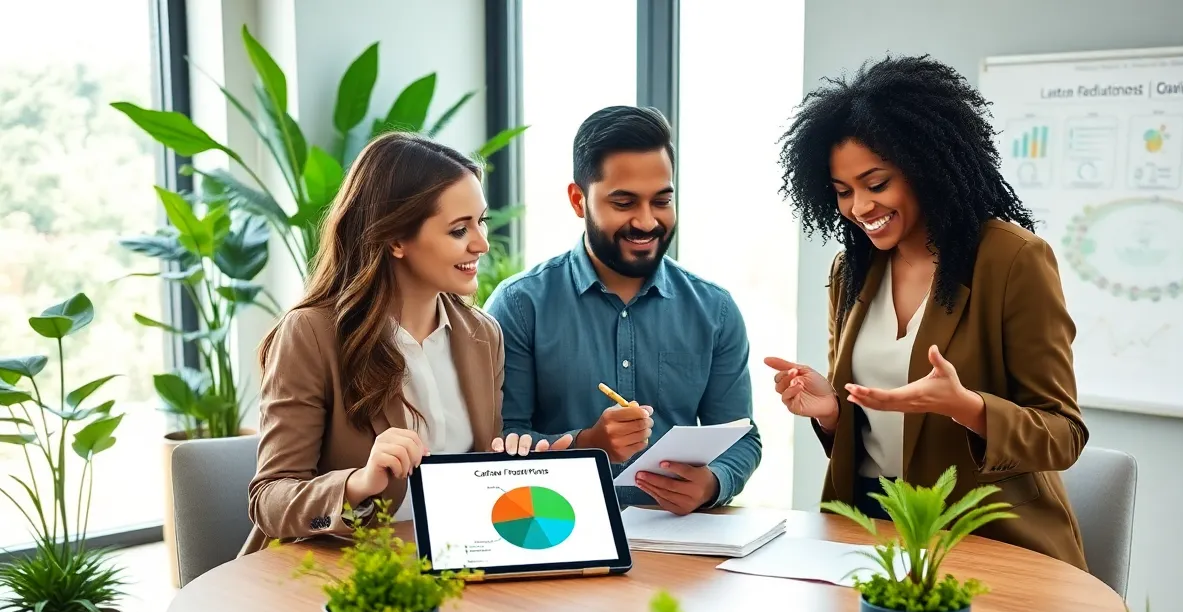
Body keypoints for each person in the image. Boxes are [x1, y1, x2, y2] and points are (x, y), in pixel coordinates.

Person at [766, 54, 1089, 570]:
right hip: (865, 526)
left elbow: (1064, 433)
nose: (860, 208)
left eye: (877, 184)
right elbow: (873, 433)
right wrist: (829, 412)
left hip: (984, 537)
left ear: (926, 166)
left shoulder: (1011, 260)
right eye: (843, 192)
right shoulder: (851, 271)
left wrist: (966, 406)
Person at [244, 132, 569, 553]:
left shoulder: (482, 334)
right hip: (341, 570)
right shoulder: (312, 333)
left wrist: (515, 467)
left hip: (455, 561)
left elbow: (473, 482)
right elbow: (269, 498)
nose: (481, 244)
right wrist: (358, 483)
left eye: (480, 222)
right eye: (458, 230)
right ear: (396, 240)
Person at [485, 105, 761, 513]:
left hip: (680, 543)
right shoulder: (521, 306)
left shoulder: (714, 310)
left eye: (661, 201)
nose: (647, 221)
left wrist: (711, 482)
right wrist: (588, 444)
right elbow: (501, 441)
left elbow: (742, 437)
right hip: (556, 529)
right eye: (624, 202)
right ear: (579, 200)